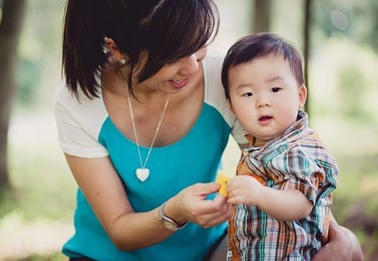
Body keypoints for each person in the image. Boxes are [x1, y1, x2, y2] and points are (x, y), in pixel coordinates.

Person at [55, 1, 363, 260]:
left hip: (215, 251)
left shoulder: (224, 78)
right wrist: (177, 210)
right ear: (116, 48)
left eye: (197, 45)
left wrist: (339, 237)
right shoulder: (79, 101)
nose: (191, 67)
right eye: (172, 55)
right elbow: (120, 230)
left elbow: (286, 163)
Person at [220, 32, 354, 260]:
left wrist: (259, 194)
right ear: (232, 107)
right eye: (248, 93)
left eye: (275, 89)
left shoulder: (297, 150)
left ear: (300, 95)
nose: (262, 101)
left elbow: (300, 203)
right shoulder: (261, 149)